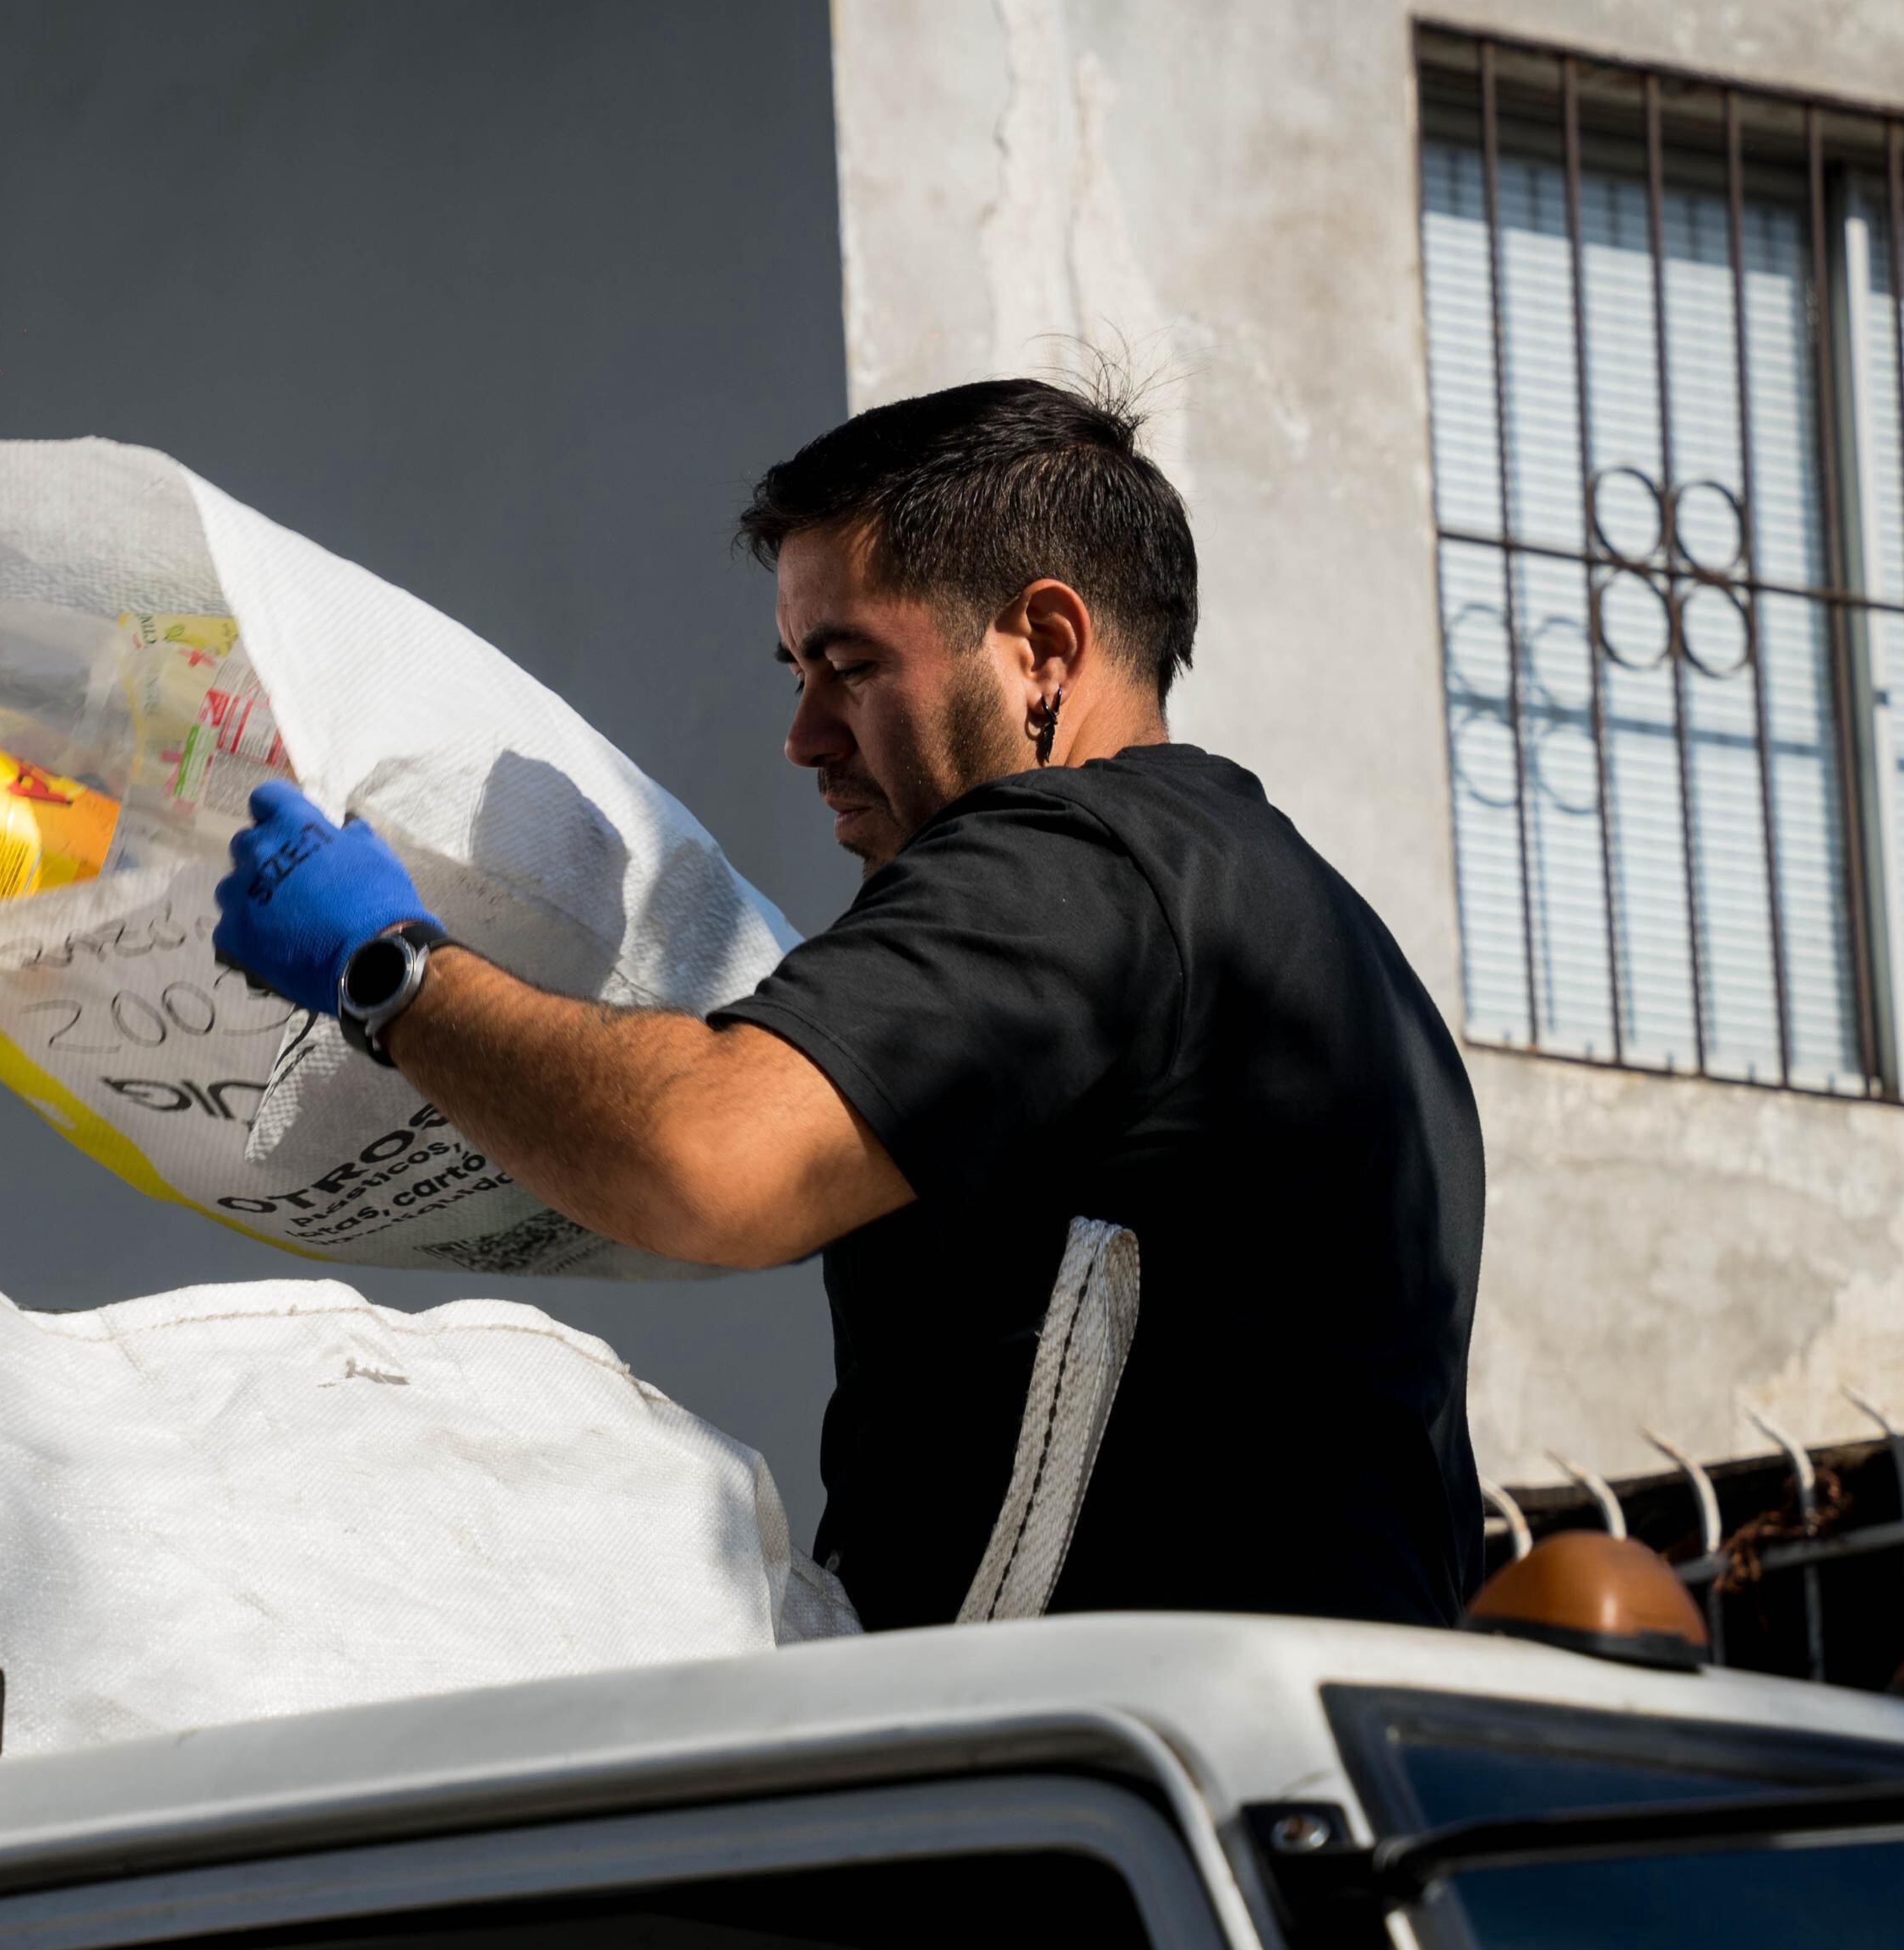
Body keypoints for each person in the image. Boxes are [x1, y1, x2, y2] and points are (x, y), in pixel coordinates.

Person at [209, 377, 1483, 1630]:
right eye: (796, 671)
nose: (805, 733)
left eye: (850, 663)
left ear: (1043, 648)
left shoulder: (1070, 858)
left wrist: (389, 971)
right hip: (1274, 1772)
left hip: (1071, 1774)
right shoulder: (1321, 937)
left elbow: (708, 1161)